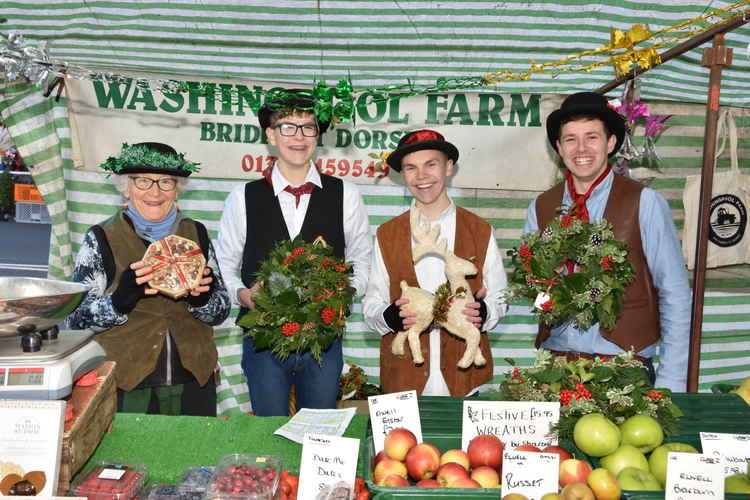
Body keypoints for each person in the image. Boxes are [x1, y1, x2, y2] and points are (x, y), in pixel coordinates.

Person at [215, 89, 372, 416]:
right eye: (287, 126)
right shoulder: (242, 197)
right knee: (268, 431)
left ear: (318, 135)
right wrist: (244, 295)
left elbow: (361, 258)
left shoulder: (347, 194)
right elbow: (224, 265)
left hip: (324, 344)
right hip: (263, 343)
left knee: (319, 434)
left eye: (308, 127)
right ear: (271, 135)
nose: (298, 137)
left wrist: (342, 295)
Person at [524, 92, 691, 393]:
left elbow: (675, 292)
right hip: (556, 362)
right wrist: (549, 301)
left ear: (611, 143)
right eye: (570, 139)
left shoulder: (645, 202)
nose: (581, 149)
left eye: (592, 137)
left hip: (625, 363)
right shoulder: (541, 207)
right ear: (559, 148)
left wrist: (671, 381)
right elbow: (535, 288)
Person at [67, 142, 231, 416]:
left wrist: (202, 300)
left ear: (177, 190)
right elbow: (74, 320)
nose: (155, 192)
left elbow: (221, 311)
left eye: (166, 182)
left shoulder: (197, 233)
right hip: (128, 386)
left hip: (193, 383)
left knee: (191, 458)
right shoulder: (101, 238)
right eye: (143, 181)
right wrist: (119, 301)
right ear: (126, 189)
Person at [362, 130, 507, 396]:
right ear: (402, 175)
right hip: (403, 379)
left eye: (431, 164)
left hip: (465, 382)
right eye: (411, 168)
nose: (421, 176)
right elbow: (371, 305)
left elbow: (500, 297)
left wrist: (485, 312)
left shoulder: (480, 229)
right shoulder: (386, 234)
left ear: (449, 167)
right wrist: (390, 316)